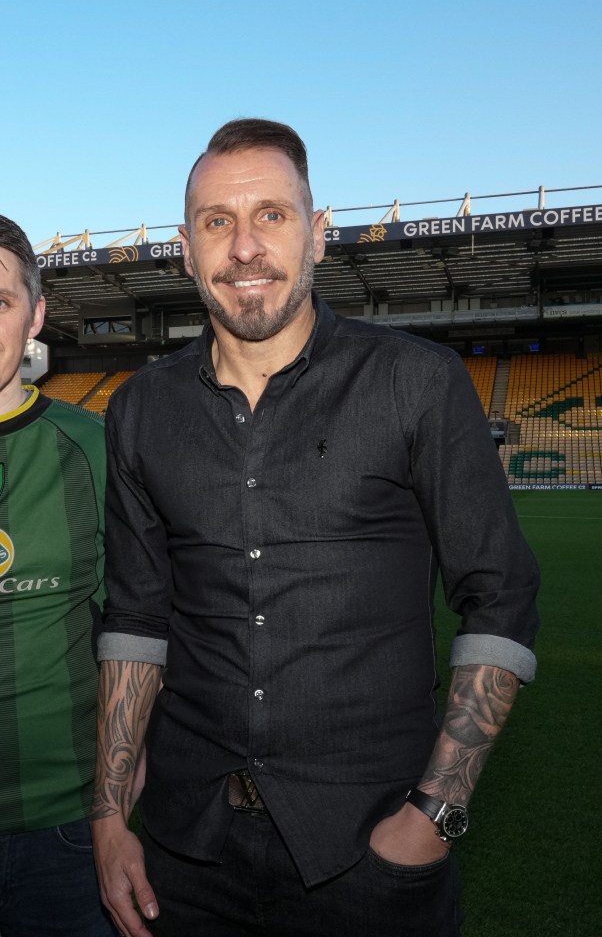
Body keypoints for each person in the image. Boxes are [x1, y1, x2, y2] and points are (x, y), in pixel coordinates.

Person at [91, 119, 540, 937]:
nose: (245, 247)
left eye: (272, 214)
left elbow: (500, 597)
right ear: (186, 250)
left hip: (371, 852)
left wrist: (433, 815)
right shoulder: (139, 410)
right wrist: (112, 815)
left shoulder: (416, 382)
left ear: (319, 234)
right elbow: (135, 620)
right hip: (187, 854)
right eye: (217, 222)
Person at [0, 215, 116, 936]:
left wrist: (121, 795)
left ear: (36, 314)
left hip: (65, 832)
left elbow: (149, 635)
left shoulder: (95, 450)